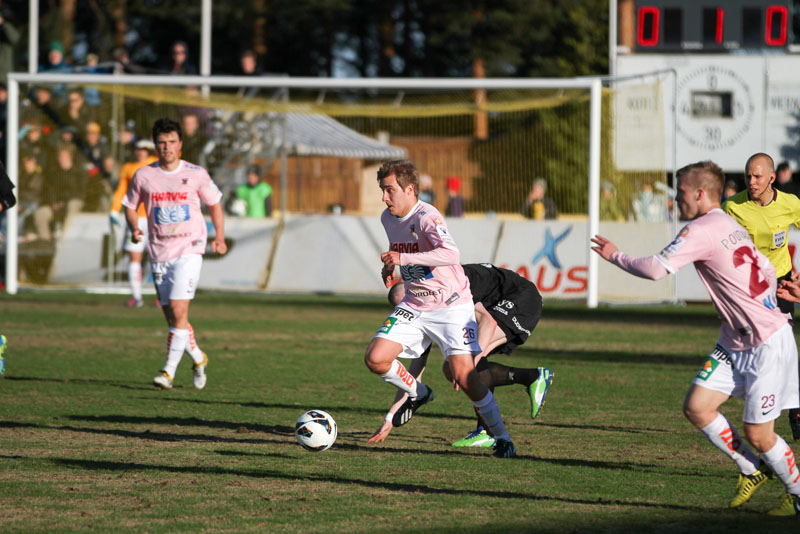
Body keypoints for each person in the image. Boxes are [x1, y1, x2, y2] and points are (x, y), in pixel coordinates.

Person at [591, 160, 800, 516]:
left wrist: (615, 255)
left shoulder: (702, 228)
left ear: (700, 193)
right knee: (698, 407)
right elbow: (764, 267)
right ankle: (752, 468)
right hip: (735, 340)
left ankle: (797, 492)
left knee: (760, 434)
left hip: (766, 342)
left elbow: (656, 269)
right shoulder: (729, 221)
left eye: (681, 192)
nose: (676, 199)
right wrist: (777, 290)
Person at [364, 159, 516, 458]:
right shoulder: (388, 218)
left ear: (410, 189)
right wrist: (392, 268)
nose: (384, 197)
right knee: (376, 359)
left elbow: (451, 253)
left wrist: (402, 259)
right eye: (382, 190)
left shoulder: (427, 217)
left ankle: (501, 437)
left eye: (390, 190)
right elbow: (405, 253)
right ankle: (419, 392)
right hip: (415, 304)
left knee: (465, 378)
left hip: (451, 307)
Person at [369, 263, 554, 447]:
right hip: (492, 304)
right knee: (457, 368)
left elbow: (488, 322)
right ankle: (530, 378)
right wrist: (390, 417)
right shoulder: (420, 307)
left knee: (461, 367)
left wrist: (470, 362)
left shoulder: (447, 288)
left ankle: (488, 431)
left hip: (520, 298)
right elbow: (414, 373)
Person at [122, 118, 226, 390]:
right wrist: (134, 227)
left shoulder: (196, 173)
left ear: (180, 144)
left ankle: (168, 372)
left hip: (190, 249)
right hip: (158, 252)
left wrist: (220, 237)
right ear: (155, 145)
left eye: (171, 142)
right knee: (174, 319)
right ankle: (199, 357)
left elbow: (214, 203)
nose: (166, 147)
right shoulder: (144, 175)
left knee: (180, 310)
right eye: (162, 142)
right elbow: (130, 205)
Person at [722, 153, 800, 442]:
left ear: (771, 178)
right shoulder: (732, 206)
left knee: (784, 348)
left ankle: (795, 410)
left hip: (780, 284)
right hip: (748, 288)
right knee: (759, 350)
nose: (751, 182)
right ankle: (762, 410)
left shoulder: (790, 205)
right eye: (747, 176)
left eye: (757, 176)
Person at [110, 139, 158, 307]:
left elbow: (176, 155)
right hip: (135, 218)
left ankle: (163, 296)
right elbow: (121, 190)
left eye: (144, 149)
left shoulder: (155, 164)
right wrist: (114, 210)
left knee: (159, 258)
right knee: (134, 256)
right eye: (138, 149)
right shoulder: (128, 168)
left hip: (155, 217)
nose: (141, 152)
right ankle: (136, 296)